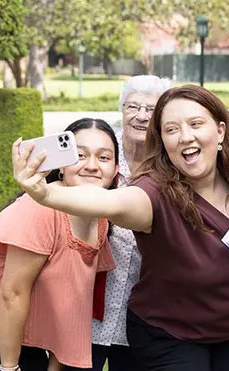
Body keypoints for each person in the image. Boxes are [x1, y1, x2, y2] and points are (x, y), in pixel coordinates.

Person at [12, 85, 229, 371]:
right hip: (172, 334)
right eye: (171, 129)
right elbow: (111, 201)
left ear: (220, 131)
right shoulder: (152, 192)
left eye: (195, 124)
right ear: (162, 141)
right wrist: (45, 195)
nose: (185, 136)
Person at [0, 118, 119, 370]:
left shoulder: (100, 219)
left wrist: (56, 366)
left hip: (15, 334)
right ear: (62, 165)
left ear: (116, 169)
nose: (91, 166)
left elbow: (74, 302)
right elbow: (13, 292)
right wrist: (9, 368)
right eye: (79, 155)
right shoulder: (41, 207)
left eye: (103, 157)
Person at [85, 75, 172, 371]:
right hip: (87, 309)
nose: (141, 116)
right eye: (133, 106)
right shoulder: (99, 157)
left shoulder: (170, 165)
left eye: (151, 108)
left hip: (142, 315)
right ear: (122, 109)